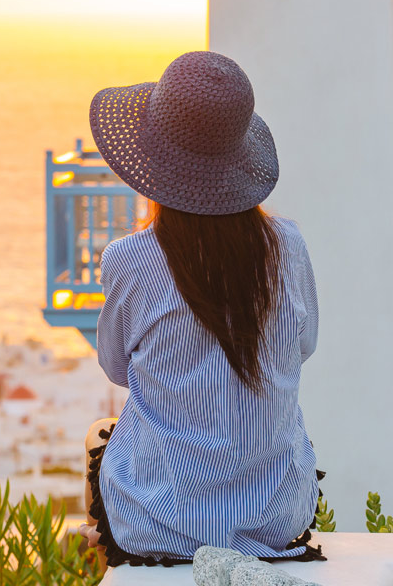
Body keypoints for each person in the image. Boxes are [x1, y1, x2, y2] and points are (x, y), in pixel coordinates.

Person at [76, 51, 324, 567]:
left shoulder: (129, 260)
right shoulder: (288, 247)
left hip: (156, 519)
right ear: (238, 160)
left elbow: (117, 368)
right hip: (276, 516)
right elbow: (304, 348)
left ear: (151, 161)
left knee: (102, 437)